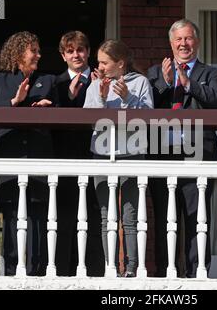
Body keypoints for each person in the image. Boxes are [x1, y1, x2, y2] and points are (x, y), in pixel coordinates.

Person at [147, 19, 217, 278]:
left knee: (197, 220)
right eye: (178, 40)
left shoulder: (211, 73)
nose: (184, 44)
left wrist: (188, 84)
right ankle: (165, 274)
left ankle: (198, 275)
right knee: (164, 220)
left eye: (188, 38)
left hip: (198, 156)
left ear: (197, 41)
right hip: (162, 155)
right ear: (171, 44)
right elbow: (145, 106)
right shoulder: (154, 73)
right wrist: (165, 82)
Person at [0, 31, 57, 276]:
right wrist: (14, 102)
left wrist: (48, 108)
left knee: (37, 216)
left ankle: (37, 272)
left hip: (38, 156)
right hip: (8, 156)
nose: (39, 54)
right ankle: (10, 271)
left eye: (38, 50)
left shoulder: (48, 80)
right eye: (33, 50)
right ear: (18, 53)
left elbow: (60, 116)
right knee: (11, 216)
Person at [84, 39, 153, 277]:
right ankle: (111, 267)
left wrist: (127, 99)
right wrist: (102, 99)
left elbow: (147, 119)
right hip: (102, 154)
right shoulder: (94, 86)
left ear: (120, 63)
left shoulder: (141, 82)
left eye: (104, 62)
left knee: (130, 215)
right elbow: (90, 121)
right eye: (99, 63)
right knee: (106, 216)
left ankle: (132, 268)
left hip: (132, 153)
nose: (100, 67)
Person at [53, 30, 104, 276]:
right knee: (64, 217)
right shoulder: (55, 83)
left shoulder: (101, 79)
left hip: (95, 156)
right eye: (70, 51)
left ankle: (94, 272)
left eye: (81, 49)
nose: (76, 55)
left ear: (88, 52)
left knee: (95, 217)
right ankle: (62, 271)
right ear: (63, 55)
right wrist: (69, 97)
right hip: (64, 160)